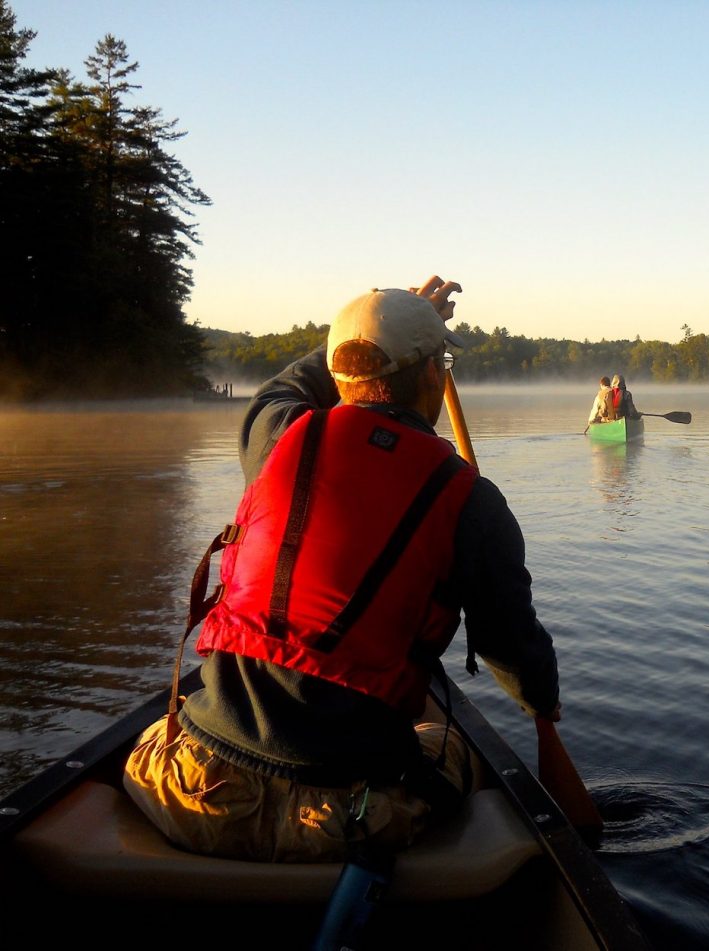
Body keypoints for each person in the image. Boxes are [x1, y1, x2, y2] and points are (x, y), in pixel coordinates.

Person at [123, 277, 561, 864]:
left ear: (338, 373)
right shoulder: (472, 501)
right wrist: (542, 703)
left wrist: (369, 330)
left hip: (194, 790)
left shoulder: (278, 439)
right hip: (345, 819)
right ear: (434, 375)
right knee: (453, 745)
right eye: (443, 361)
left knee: (161, 730)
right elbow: (508, 643)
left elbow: (279, 391)